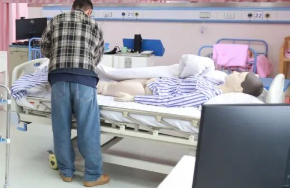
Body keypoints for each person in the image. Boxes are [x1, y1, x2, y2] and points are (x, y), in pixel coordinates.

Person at [40, 0, 109, 188]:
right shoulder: (95, 25)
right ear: (89, 11)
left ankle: (66, 172)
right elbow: (97, 56)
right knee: (88, 128)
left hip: (59, 78)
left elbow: (44, 47)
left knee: (60, 127)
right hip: (84, 79)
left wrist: (59, 56)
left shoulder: (56, 20)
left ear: (72, 8)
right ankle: (92, 175)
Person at [109, 71, 264, 107]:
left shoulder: (208, 95)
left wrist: (134, 98)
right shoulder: (214, 82)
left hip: (144, 90)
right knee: (111, 76)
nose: (235, 72)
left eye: (239, 75)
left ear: (238, 87)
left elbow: (171, 101)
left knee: (105, 87)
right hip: (154, 81)